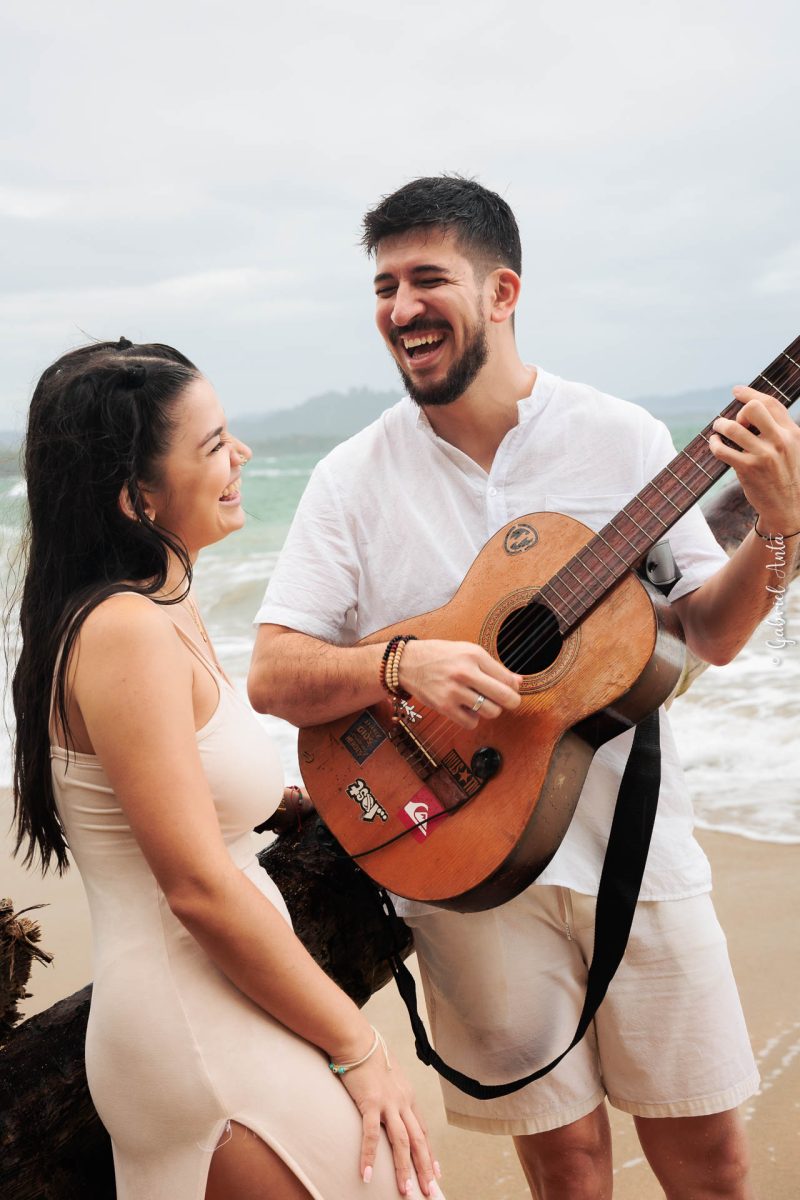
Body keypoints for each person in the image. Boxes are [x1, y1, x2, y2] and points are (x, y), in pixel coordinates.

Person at [248, 176, 800, 1199]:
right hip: (464, 873)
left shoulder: (621, 438)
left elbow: (705, 639)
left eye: (426, 279)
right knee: (564, 1169)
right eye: (382, 286)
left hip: (637, 859)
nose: (399, 307)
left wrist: (780, 530)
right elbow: (272, 672)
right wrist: (396, 663)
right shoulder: (350, 479)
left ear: (501, 291)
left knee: (712, 1164)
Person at [10, 338, 442, 1200]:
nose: (240, 455)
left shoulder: (152, 608)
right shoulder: (125, 632)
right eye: (212, 445)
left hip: (213, 1005)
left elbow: (172, 801)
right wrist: (360, 1048)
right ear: (137, 496)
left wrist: (288, 806)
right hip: (193, 1027)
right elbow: (197, 886)